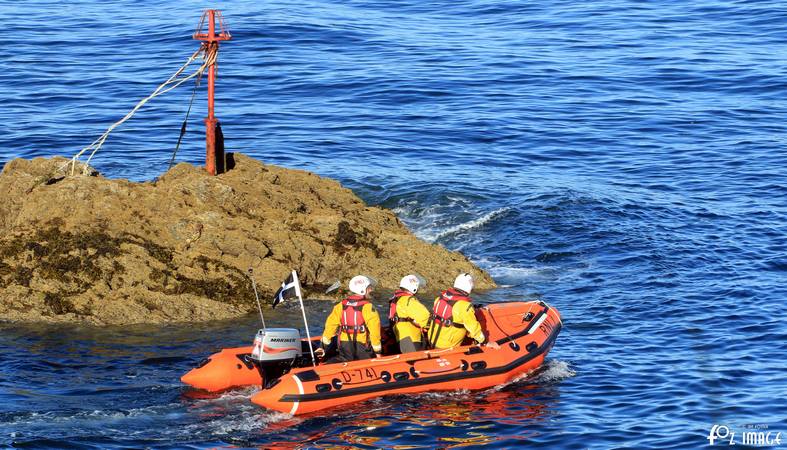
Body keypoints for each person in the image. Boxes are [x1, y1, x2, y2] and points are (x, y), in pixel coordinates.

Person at [427, 273, 501, 350]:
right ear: (469, 288)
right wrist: (485, 342)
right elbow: (474, 329)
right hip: (447, 346)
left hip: (431, 338)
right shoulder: (464, 307)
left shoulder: (439, 299)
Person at [316, 275, 382, 361]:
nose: (371, 290)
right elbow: (375, 332)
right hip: (362, 346)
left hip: (344, 346)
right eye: (369, 288)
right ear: (362, 290)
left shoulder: (340, 306)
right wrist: (378, 352)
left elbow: (330, 327)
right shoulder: (368, 308)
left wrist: (322, 346)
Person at [388, 274, 431, 353]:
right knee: (417, 362)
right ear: (414, 288)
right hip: (412, 339)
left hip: (400, 337)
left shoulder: (396, 298)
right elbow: (425, 318)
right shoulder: (409, 300)